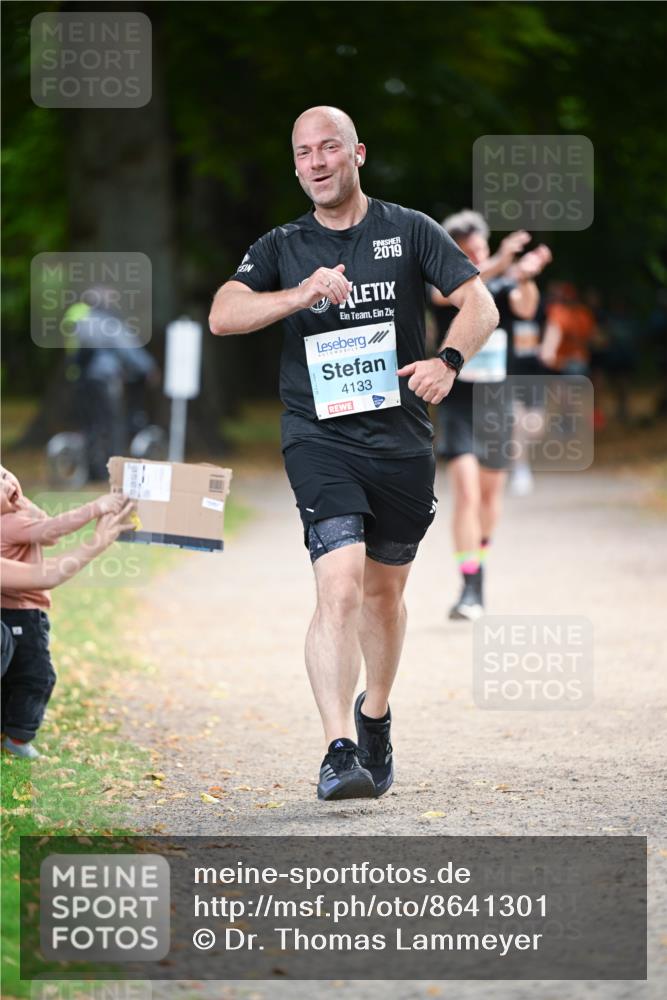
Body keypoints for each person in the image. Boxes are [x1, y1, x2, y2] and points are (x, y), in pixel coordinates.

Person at [209, 106, 498, 801]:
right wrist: (300, 294)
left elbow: (480, 305)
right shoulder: (282, 245)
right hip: (320, 438)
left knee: (382, 596)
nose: (315, 162)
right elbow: (223, 313)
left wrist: (448, 361)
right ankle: (338, 750)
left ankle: (375, 715)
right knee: (338, 586)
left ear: (356, 154)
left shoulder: (409, 229)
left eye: (328, 147)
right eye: (302, 152)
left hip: (399, 442)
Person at [430, 211, 550, 620]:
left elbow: (527, 307)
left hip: (498, 406)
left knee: (488, 498)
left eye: (480, 249)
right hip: (458, 405)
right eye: (467, 253)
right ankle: (469, 585)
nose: (476, 257)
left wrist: (526, 277)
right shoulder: (445, 287)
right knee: (465, 493)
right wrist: (502, 260)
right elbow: (450, 292)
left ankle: (477, 572)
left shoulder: (502, 284)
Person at [0, 465, 133, 758]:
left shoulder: (13, 518)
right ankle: (18, 738)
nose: (7, 483)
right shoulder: (7, 525)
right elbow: (52, 529)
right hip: (22, 613)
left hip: (17, 614)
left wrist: (21, 502)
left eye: (5, 474)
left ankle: (7, 729)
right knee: (37, 676)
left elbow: (50, 537)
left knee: (16, 674)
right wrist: (95, 508)